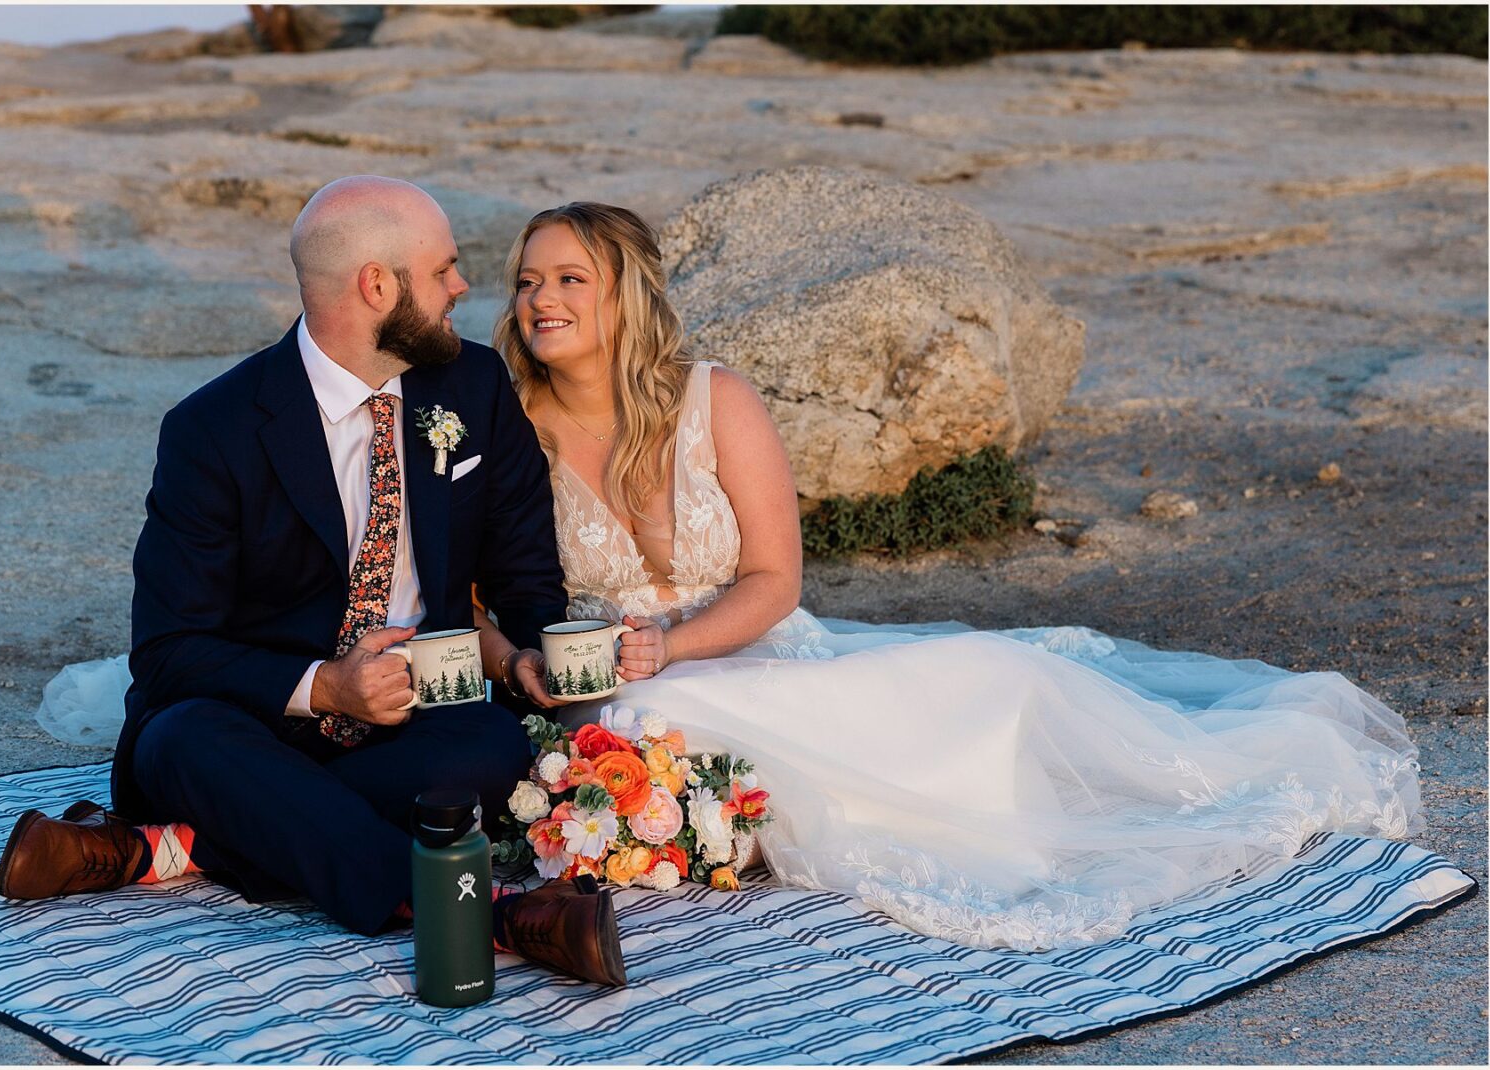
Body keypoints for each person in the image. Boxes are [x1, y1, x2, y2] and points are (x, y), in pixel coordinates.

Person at [490, 201, 1424, 950]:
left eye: (572, 277)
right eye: (529, 281)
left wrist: (673, 645)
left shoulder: (715, 398)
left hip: (750, 647)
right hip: (614, 689)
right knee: (650, 725)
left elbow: (775, 579)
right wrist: (519, 664)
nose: (543, 299)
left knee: (995, 680)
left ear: (629, 294)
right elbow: (477, 595)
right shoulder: (503, 425)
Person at [0, 176, 625, 987]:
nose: (464, 287)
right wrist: (326, 688)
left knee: (493, 746)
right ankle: (489, 913)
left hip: (418, 715)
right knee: (184, 740)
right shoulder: (212, 430)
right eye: (444, 271)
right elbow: (168, 651)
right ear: (376, 286)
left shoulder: (471, 385)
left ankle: (160, 847)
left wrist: (534, 652)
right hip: (253, 722)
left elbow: (523, 566)